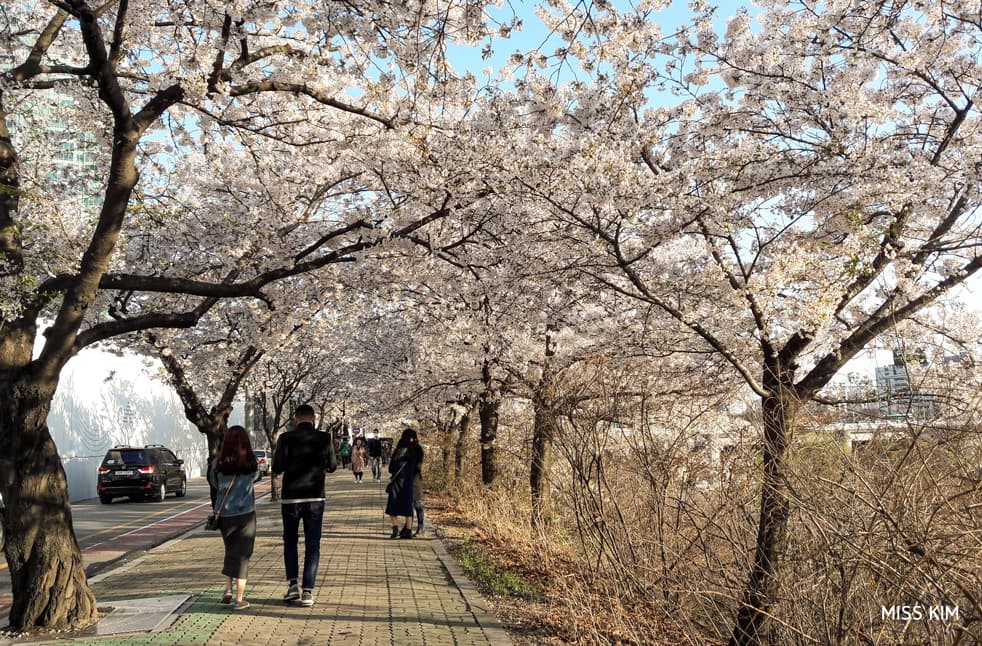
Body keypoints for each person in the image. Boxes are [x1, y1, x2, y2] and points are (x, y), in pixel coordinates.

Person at [272, 404, 338, 607]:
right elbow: (333, 466)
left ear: (295, 419)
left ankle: (293, 586)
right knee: (313, 545)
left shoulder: (285, 438)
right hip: (315, 498)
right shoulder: (325, 438)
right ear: (314, 419)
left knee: (290, 541)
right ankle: (307, 591)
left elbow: (276, 467)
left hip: (291, 498)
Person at [208, 425, 259, 611]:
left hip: (225, 515)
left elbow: (213, 483)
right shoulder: (250, 462)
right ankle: (239, 599)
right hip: (245, 514)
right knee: (243, 555)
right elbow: (256, 477)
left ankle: (228, 589)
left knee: (230, 550)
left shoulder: (217, 463)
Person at [385, 428, 423, 539]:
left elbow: (391, 468)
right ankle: (409, 531)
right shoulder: (415, 453)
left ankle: (395, 529)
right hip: (409, 483)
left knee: (392, 508)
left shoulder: (398, 451)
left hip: (397, 483)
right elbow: (417, 468)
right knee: (408, 509)